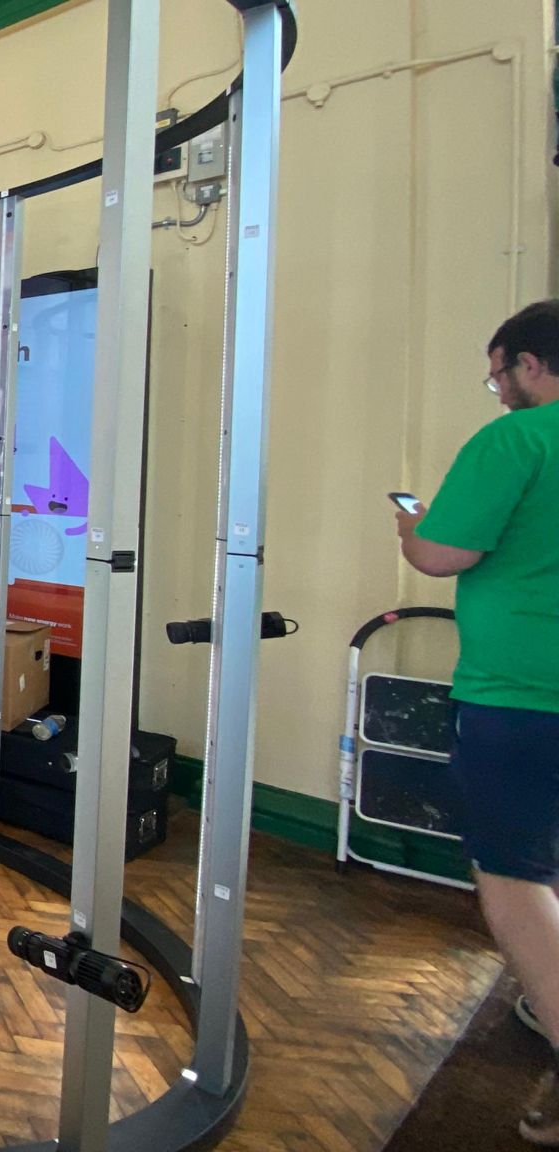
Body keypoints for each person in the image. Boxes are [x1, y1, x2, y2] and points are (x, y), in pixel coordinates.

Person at [395, 300, 559, 1146]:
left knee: (513, 876)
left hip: (524, 700)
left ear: (530, 364)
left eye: (500, 374)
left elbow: (442, 554)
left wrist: (411, 526)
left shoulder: (516, 441)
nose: (497, 391)